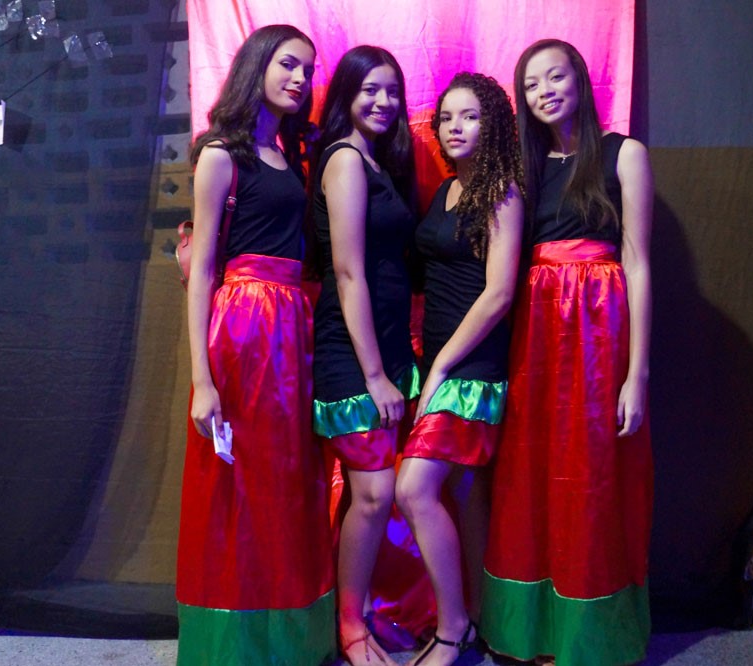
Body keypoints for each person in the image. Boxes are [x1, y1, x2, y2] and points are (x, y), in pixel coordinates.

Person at [481, 39, 655, 666]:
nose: (545, 92)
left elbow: (638, 264)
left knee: (593, 480)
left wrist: (636, 374)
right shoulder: (522, 167)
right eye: (531, 85)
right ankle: (532, 634)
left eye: (555, 77)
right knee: (530, 477)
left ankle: (589, 638)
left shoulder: (622, 153)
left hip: (600, 333)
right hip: (536, 335)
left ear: (580, 78)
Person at [176, 25, 335, 666]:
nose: (300, 78)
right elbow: (202, 271)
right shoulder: (222, 154)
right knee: (237, 485)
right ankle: (236, 648)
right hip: (243, 327)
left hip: (290, 325)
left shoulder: (288, 154)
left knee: (286, 479)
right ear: (256, 66)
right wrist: (203, 379)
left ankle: (286, 639)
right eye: (288, 64)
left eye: (308, 69)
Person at [395, 72, 523, 666]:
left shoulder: (503, 193)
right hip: (438, 359)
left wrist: (442, 366)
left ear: (492, 124)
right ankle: (476, 615)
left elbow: (499, 294)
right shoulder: (446, 189)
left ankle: (452, 630)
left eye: (469, 116)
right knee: (465, 495)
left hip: (470, 367)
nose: (454, 127)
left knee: (414, 488)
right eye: (446, 117)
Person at [309, 45, 417, 666]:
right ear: (347, 93)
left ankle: (359, 612)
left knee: (372, 496)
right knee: (374, 495)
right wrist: (375, 375)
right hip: (353, 356)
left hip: (387, 349)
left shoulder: (378, 161)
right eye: (370, 89)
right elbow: (348, 272)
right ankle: (350, 625)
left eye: (392, 90)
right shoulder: (346, 159)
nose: (383, 101)